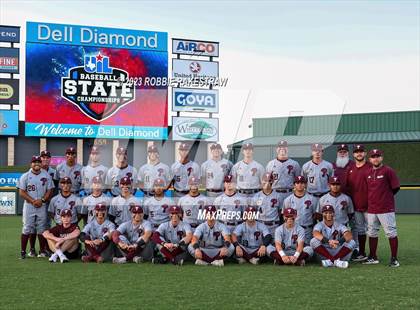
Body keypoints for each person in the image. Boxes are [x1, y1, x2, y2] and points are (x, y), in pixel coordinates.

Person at [363, 149, 400, 267]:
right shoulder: (367, 172)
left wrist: (385, 198)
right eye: (373, 156)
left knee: (391, 233)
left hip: (385, 208)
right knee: (372, 233)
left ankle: (394, 259)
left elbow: (395, 187)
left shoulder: (388, 171)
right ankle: (373, 256)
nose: (375, 158)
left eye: (377, 156)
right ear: (370, 159)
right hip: (372, 209)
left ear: (381, 157)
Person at [17, 155, 54, 259]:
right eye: (34, 162)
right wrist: (32, 200)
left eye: (38, 162)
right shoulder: (25, 176)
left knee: (41, 228)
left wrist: (42, 200)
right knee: (27, 228)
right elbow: (21, 192)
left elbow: (50, 190)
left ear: (41, 163)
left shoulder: (46, 175)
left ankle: (42, 251)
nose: (37, 163)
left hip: (42, 205)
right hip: (29, 205)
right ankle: (23, 251)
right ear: (31, 164)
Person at [345, 144, 371, 261]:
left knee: (372, 231)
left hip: (370, 206)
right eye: (356, 152)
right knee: (360, 230)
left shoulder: (371, 167)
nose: (359, 153)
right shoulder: (350, 169)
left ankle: (373, 254)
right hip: (356, 206)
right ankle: (362, 252)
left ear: (365, 153)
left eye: (361, 151)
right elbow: (348, 188)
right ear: (353, 154)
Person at [282, 176, 317, 245]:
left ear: (305, 184)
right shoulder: (287, 200)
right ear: (294, 185)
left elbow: (315, 216)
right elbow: (284, 218)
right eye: (297, 183)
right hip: (292, 229)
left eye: (302, 183)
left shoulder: (312, 199)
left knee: (307, 249)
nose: (300, 185)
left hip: (307, 229)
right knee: (292, 249)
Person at [266, 140, 301, 205]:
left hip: (289, 193)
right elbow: (268, 182)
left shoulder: (295, 164)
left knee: (290, 214)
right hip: (275, 193)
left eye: (284, 147)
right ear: (276, 149)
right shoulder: (270, 164)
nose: (282, 149)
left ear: (287, 149)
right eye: (280, 147)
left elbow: (299, 182)